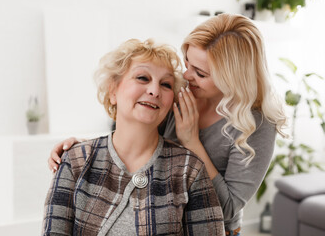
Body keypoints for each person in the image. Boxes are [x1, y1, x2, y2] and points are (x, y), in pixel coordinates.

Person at [48, 14, 287, 235]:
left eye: (201, 73)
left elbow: (228, 208)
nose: (187, 76)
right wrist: (88, 149)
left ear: (232, 79)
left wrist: (191, 141)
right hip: (158, 211)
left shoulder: (257, 124)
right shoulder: (181, 90)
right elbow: (137, 130)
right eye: (187, 62)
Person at [42, 38, 225, 235]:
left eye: (165, 84)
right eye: (142, 78)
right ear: (113, 90)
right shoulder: (75, 161)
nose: (154, 90)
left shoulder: (190, 169)